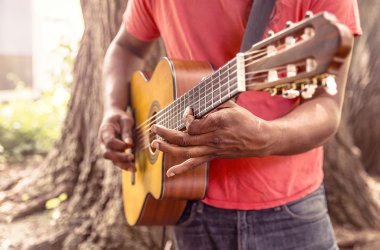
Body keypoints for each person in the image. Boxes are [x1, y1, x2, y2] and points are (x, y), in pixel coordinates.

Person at [99, 0, 362, 249]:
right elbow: (127, 47)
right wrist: (113, 107)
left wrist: (266, 137)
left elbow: (327, 107)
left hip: (288, 211)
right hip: (185, 202)